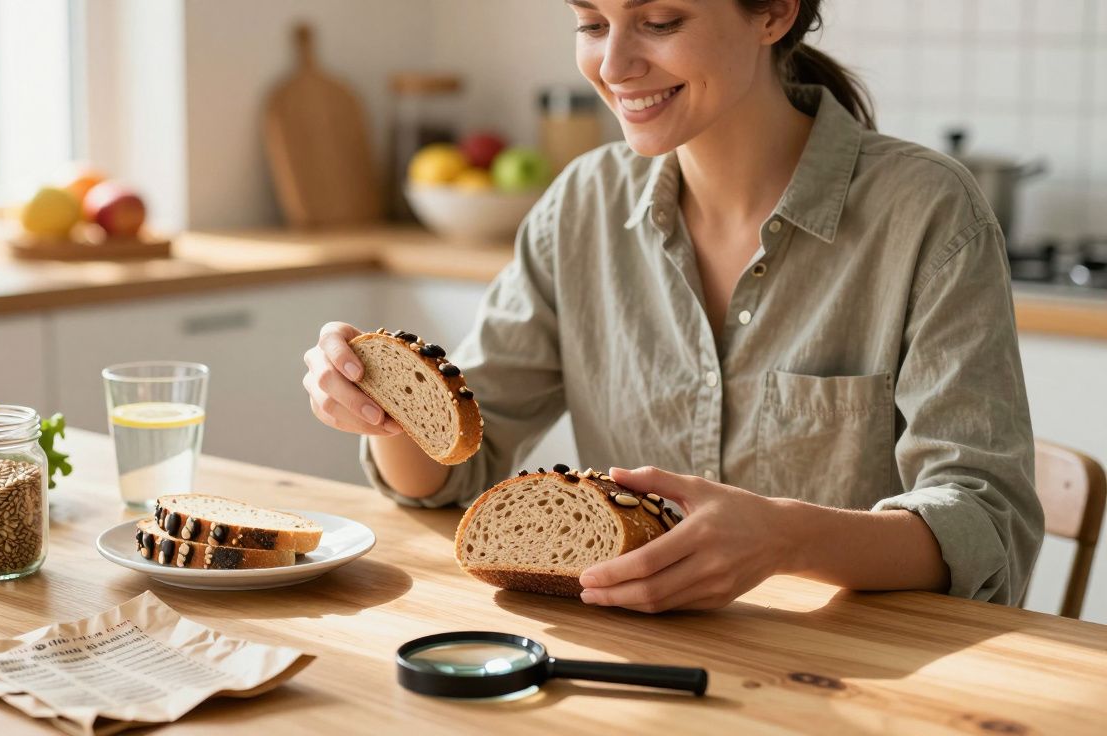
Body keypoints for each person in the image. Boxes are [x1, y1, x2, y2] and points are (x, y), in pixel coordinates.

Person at [301, 0, 1042, 613]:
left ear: (774, 13)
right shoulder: (582, 204)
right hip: (622, 665)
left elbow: (987, 525)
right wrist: (383, 407)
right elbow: (460, 468)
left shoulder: (927, 213)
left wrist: (785, 537)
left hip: (849, 684)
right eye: (592, 24)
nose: (613, 66)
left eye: (659, 22)